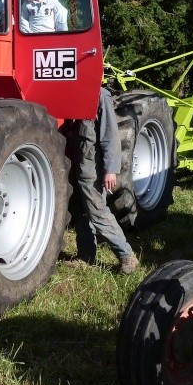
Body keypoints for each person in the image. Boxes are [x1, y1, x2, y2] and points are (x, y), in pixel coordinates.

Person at [67, 87, 140, 274]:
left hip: (93, 167)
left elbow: (110, 136)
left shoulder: (100, 95)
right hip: (78, 164)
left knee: (97, 211)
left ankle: (127, 256)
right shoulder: (71, 90)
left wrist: (111, 170)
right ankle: (86, 256)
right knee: (80, 211)